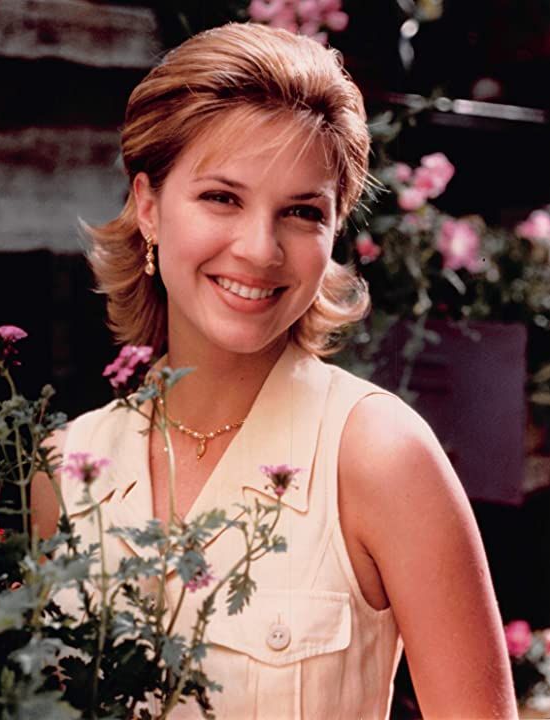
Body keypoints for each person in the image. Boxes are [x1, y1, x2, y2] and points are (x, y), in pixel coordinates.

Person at [32, 21, 517, 720]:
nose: (260, 250)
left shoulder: (380, 456)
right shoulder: (66, 467)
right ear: (147, 205)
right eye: (221, 197)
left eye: (299, 212)